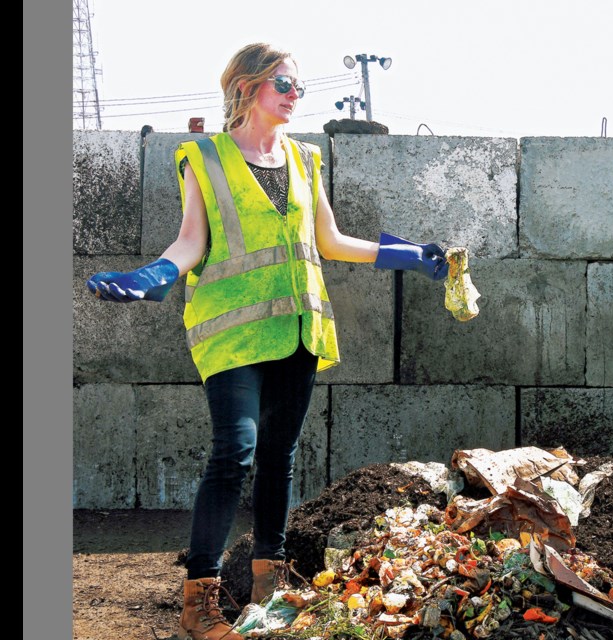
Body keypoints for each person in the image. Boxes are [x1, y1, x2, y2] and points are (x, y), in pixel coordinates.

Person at [86, 43, 449, 640]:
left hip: (298, 330)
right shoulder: (204, 157)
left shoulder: (305, 160)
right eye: (282, 82)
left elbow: (329, 240)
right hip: (231, 334)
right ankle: (198, 603)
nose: (293, 93)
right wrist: (153, 275)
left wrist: (408, 254)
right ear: (247, 87)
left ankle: (268, 588)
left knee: (279, 460)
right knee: (235, 453)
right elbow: (190, 242)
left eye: (298, 86)